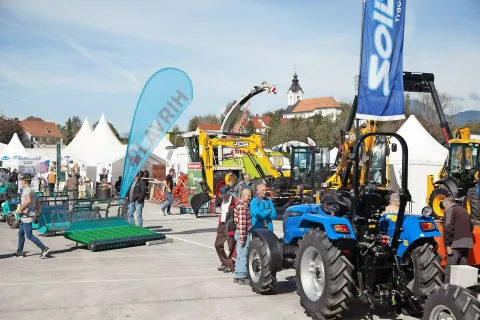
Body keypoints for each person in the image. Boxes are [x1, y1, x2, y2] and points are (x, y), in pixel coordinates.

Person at [13, 174, 51, 258]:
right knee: (20, 233)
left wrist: (20, 209)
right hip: (27, 216)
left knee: (29, 235)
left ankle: (44, 248)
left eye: (22, 181)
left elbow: (28, 201)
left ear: (25, 182)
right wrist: (37, 215)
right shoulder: (32, 191)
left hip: (27, 216)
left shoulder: (26, 190)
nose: (21, 183)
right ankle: (19, 251)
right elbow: (38, 204)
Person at [443, 197, 474, 284]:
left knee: (450, 271)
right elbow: (471, 227)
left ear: (447, 204)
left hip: (455, 244)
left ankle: (447, 291)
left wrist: (447, 245)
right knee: (462, 271)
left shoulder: (451, 210)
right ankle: (462, 291)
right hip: (466, 244)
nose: (445, 209)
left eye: (444, 207)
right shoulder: (465, 211)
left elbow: (448, 228)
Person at [215, 185, 238, 273]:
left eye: (224, 195)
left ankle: (230, 264)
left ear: (229, 193)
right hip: (222, 224)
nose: (223, 196)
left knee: (231, 246)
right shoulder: (223, 201)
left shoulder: (235, 201)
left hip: (230, 225)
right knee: (218, 244)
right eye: (222, 195)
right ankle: (225, 262)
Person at [233, 188, 252, 284]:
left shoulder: (241, 205)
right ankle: (242, 277)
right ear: (242, 196)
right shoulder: (242, 206)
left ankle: (237, 276)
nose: (250, 197)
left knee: (240, 255)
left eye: (250, 195)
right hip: (242, 233)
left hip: (241, 232)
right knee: (243, 255)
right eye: (248, 196)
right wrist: (243, 238)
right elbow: (241, 224)